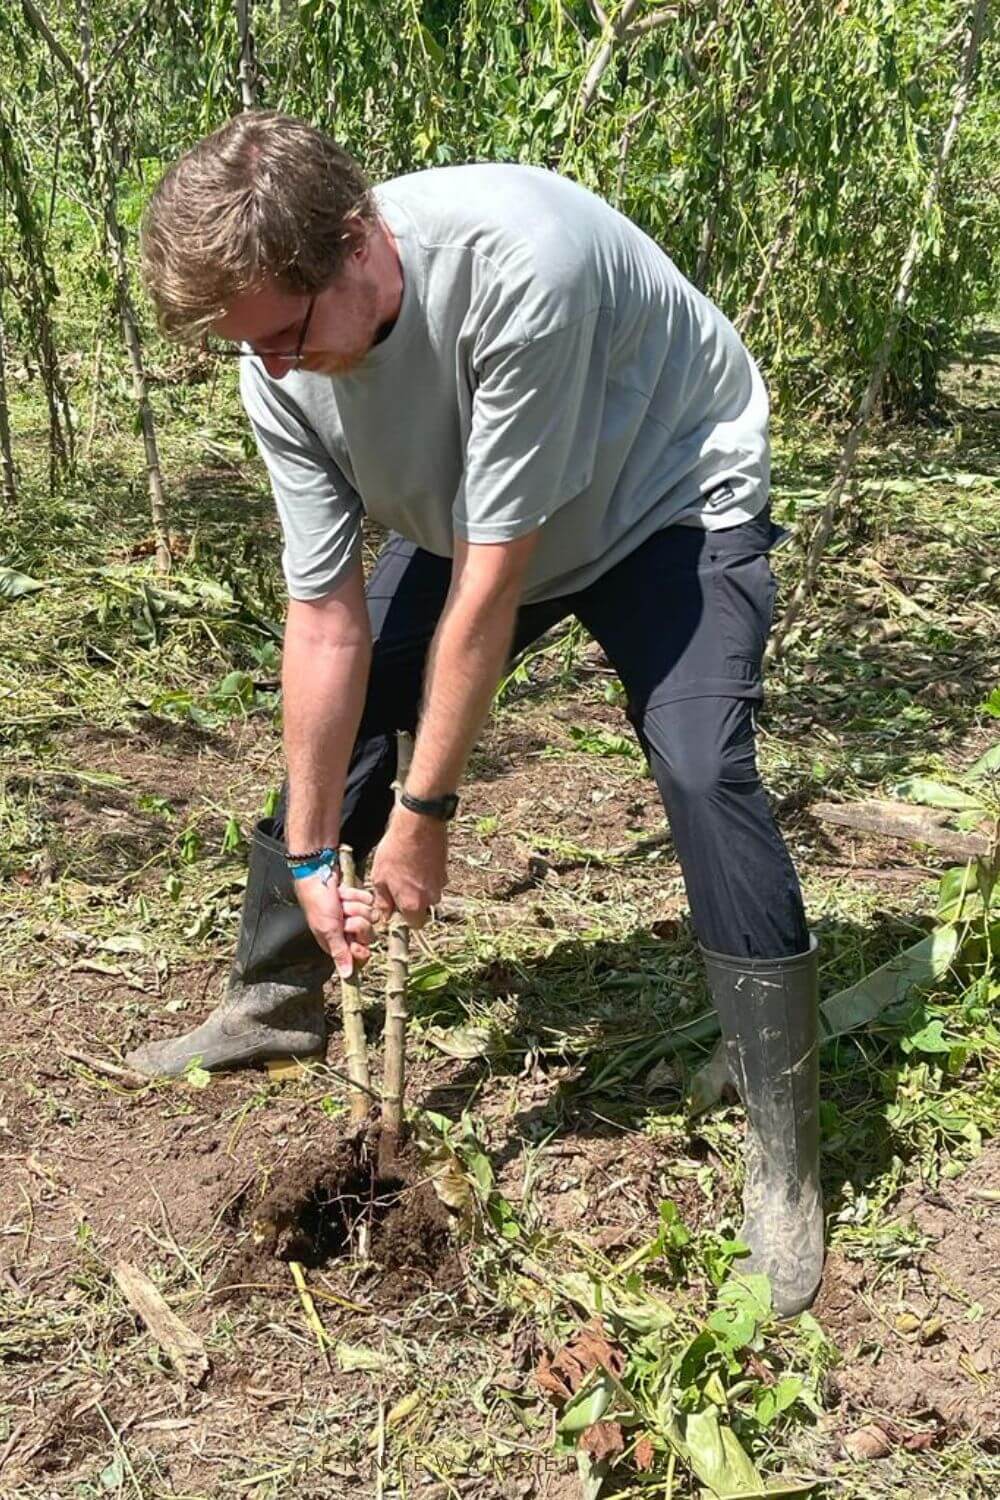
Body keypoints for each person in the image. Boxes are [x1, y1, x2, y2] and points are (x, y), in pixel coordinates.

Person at [130, 111, 823, 1316]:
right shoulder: (274, 351)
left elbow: (490, 590)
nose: (276, 368)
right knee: (345, 717)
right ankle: (275, 997)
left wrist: (424, 812)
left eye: (289, 336)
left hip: (663, 497)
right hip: (481, 514)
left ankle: (785, 1152)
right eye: (255, 350)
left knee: (700, 759)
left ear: (355, 244)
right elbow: (325, 625)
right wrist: (312, 849)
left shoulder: (518, 268)